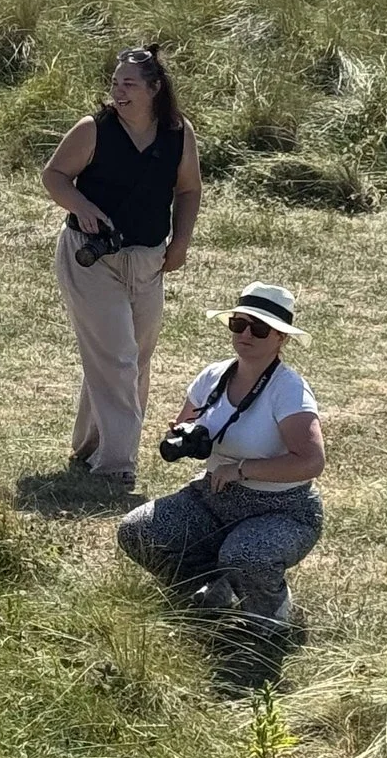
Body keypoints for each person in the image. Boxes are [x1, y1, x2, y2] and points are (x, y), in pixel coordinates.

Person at [116, 285, 326, 690]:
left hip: (282, 508)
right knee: (138, 531)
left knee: (246, 552)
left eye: (259, 329)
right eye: (239, 323)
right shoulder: (213, 376)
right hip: (214, 496)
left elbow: (311, 461)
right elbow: (184, 426)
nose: (245, 334)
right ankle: (213, 588)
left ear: (281, 338)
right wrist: (183, 436)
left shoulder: (289, 390)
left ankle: (272, 615)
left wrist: (243, 469)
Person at [42, 45, 202, 489]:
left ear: (155, 89)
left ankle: (90, 446)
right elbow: (54, 175)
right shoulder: (93, 129)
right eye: (115, 82)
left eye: (128, 83)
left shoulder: (178, 133)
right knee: (118, 357)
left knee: (132, 357)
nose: (118, 90)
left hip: (149, 260)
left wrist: (181, 241)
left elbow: (189, 190)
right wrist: (83, 206)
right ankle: (117, 465)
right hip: (90, 258)